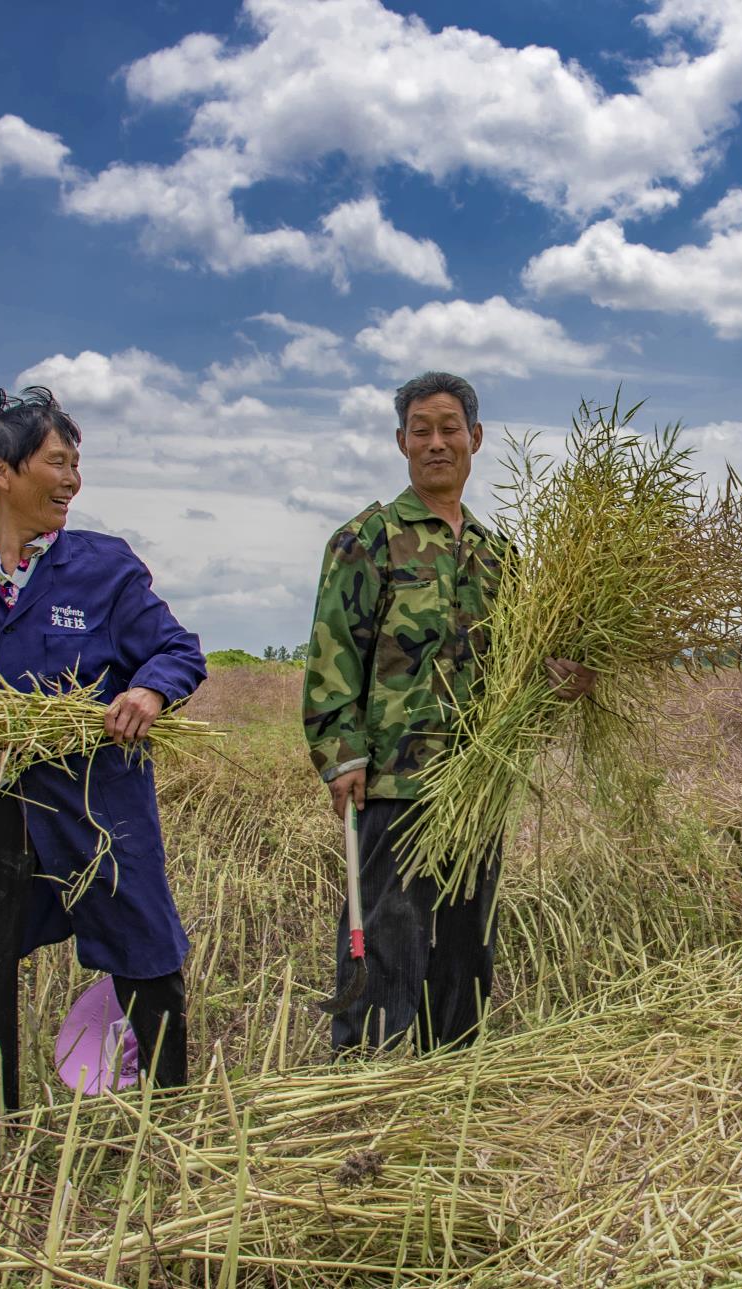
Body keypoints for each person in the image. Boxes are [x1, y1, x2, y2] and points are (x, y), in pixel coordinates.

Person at [0, 385, 205, 1145]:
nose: (73, 480)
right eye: (58, 462)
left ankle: (170, 1128)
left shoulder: (106, 568)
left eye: (76, 464)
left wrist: (149, 691)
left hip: (93, 800)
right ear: (3, 471)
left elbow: (176, 650)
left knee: (146, 954)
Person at [303, 371, 591, 1054]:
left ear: (476, 438)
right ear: (401, 441)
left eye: (449, 428)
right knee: (387, 937)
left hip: (477, 782)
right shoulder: (367, 538)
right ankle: (368, 1079)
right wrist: (340, 754)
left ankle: (452, 1077)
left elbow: (518, 667)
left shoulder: (499, 556)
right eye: (421, 430)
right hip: (394, 781)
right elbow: (333, 652)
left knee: (466, 945)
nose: (437, 442)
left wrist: (564, 681)